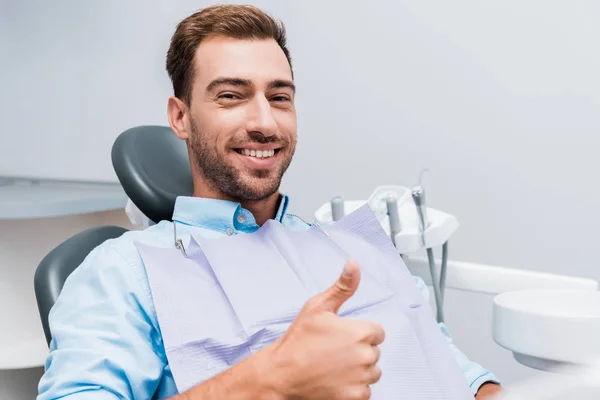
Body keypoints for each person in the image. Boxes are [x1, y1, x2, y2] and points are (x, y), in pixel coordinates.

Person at [37, 5, 502, 399]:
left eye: (279, 97)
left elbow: (460, 375)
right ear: (180, 118)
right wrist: (268, 379)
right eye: (231, 96)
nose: (265, 122)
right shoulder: (125, 270)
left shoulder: (354, 250)